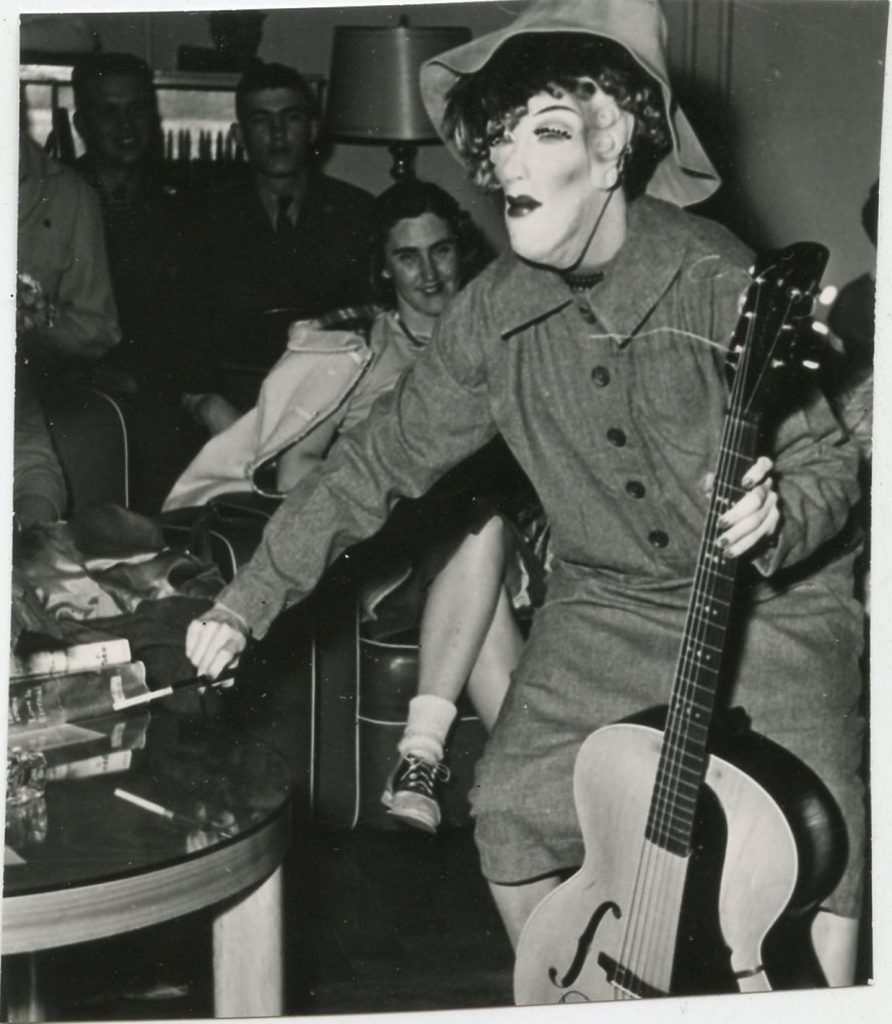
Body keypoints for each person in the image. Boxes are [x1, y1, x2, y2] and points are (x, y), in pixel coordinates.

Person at [185, 0, 865, 990]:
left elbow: (825, 471)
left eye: (546, 129)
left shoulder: (720, 279)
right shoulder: (492, 310)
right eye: (501, 133)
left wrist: (776, 514)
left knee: (825, 841)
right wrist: (245, 601)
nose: (506, 161)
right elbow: (374, 464)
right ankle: (585, 989)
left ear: (618, 141)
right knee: (504, 805)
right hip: (605, 605)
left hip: (770, 614)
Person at [181, 61, 377, 424]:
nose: (278, 134)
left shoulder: (357, 212)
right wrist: (206, 404)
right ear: (239, 137)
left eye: (291, 118)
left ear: (313, 128)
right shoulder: (204, 219)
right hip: (236, 405)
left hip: (336, 402)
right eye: (261, 121)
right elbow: (187, 335)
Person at [71, 52, 201, 511]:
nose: (126, 125)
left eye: (138, 109)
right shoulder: (54, 201)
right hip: (79, 405)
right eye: (108, 111)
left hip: (161, 404)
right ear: (81, 122)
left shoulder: (182, 205)